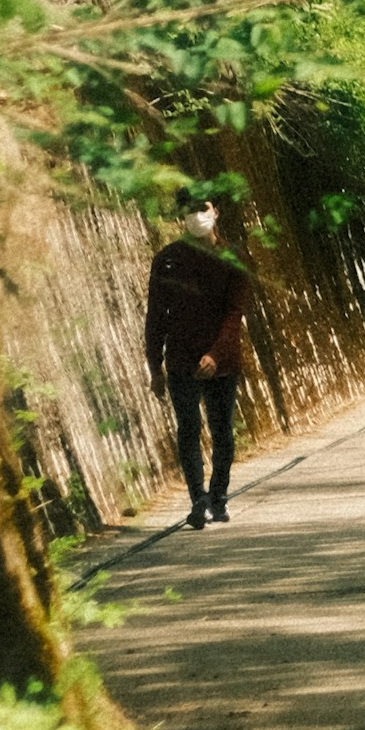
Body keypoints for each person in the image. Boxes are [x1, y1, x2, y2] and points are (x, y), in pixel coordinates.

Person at [143, 201, 254, 532]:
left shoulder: (234, 258)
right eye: (189, 211)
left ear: (216, 211)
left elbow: (235, 314)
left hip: (222, 362)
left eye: (202, 209)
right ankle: (198, 500)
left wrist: (216, 355)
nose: (196, 217)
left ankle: (218, 497)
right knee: (188, 429)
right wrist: (155, 365)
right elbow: (155, 316)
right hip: (181, 359)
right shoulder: (167, 260)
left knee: (223, 431)